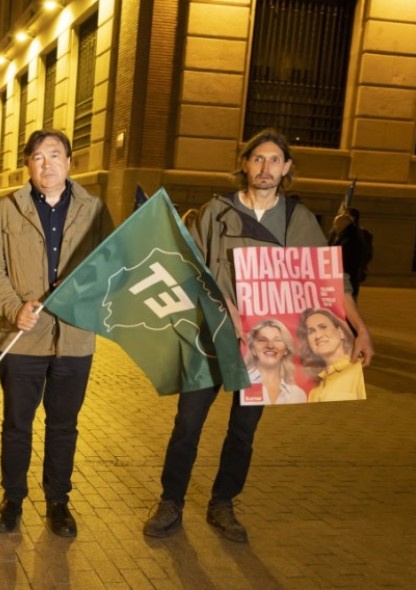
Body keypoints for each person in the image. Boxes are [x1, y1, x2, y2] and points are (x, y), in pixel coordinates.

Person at [142, 128, 374, 543]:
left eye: (274, 160)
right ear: (245, 164)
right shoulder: (215, 212)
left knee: (243, 431)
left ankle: (223, 504)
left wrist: (360, 329)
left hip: (264, 347)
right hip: (212, 338)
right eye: (257, 159)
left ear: (286, 169)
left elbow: (330, 280)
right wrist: (226, 310)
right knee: (187, 423)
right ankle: (170, 501)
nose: (265, 167)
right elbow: (190, 269)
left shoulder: (297, 219)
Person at [0, 129, 112, 538]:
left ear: (70, 162)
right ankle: (13, 499)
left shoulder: (94, 209)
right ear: (29, 165)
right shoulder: (7, 210)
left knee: (63, 425)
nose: (46, 164)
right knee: (17, 424)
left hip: (74, 340)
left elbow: (111, 264)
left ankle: (58, 502)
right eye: (37, 157)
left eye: (54, 155)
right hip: (23, 338)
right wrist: (12, 308)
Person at [297, 308, 366, 402]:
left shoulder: (359, 369)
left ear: (341, 332)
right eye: (311, 332)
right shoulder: (314, 392)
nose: (318, 336)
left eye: (323, 327)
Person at [242, 319, 306, 404]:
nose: (270, 345)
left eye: (277, 340)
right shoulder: (240, 385)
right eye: (262, 340)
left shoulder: (298, 395)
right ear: (253, 349)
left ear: (286, 350)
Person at [328, 209, 365, 298]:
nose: (335, 227)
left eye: (336, 224)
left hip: (346, 277)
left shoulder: (349, 239)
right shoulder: (348, 237)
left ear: (342, 225)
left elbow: (348, 258)